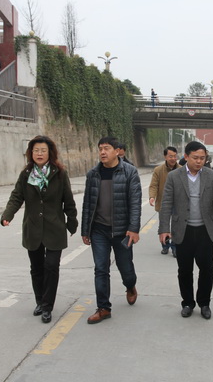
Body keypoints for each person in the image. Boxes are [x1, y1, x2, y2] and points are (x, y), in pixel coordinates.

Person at [0, 135, 78, 324]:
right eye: (36, 150)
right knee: (36, 268)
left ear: (50, 153)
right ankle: (40, 302)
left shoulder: (60, 174)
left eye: (43, 150)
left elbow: (68, 200)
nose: (40, 154)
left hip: (54, 228)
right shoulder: (26, 174)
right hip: (33, 228)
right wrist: (7, 215)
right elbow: (16, 196)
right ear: (31, 153)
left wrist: (72, 221)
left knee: (51, 266)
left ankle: (47, 306)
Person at [158, 141, 213, 320]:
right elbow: (166, 203)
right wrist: (164, 229)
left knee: (207, 269)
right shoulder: (174, 176)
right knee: (184, 270)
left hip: (205, 230)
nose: (199, 161)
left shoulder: (212, 175)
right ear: (186, 157)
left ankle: (204, 303)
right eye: (195, 158)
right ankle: (188, 303)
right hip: (183, 230)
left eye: (202, 158)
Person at [81, 136, 142, 324]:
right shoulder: (93, 174)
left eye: (106, 148)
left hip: (122, 231)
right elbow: (87, 203)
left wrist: (133, 228)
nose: (102, 152)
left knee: (126, 268)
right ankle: (103, 308)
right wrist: (85, 230)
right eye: (100, 148)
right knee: (101, 268)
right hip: (99, 230)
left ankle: (130, 286)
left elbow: (135, 202)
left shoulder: (130, 172)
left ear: (117, 151)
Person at [148, 146, 180, 256]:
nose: (173, 158)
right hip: (163, 202)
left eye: (175, 156)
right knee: (163, 225)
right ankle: (165, 246)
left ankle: (175, 247)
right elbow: (154, 185)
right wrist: (152, 197)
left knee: (176, 226)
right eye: (170, 156)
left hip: (177, 203)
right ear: (165, 157)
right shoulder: (158, 170)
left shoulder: (181, 170)